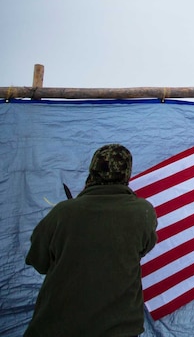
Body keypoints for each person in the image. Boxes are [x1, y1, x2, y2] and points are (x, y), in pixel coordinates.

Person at [24, 144, 158, 337]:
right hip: (119, 329)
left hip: (56, 327)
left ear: (92, 171)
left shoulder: (63, 213)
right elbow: (145, 247)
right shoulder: (142, 212)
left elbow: (39, 261)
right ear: (126, 174)